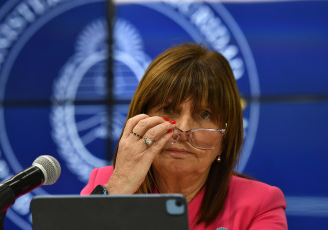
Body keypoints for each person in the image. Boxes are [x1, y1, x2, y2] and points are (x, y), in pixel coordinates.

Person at [81, 43, 287, 229]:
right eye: (168, 109)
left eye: (204, 114)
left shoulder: (260, 204)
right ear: (140, 119)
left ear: (226, 137)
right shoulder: (106, 183)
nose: (183, 130)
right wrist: (120, 186)